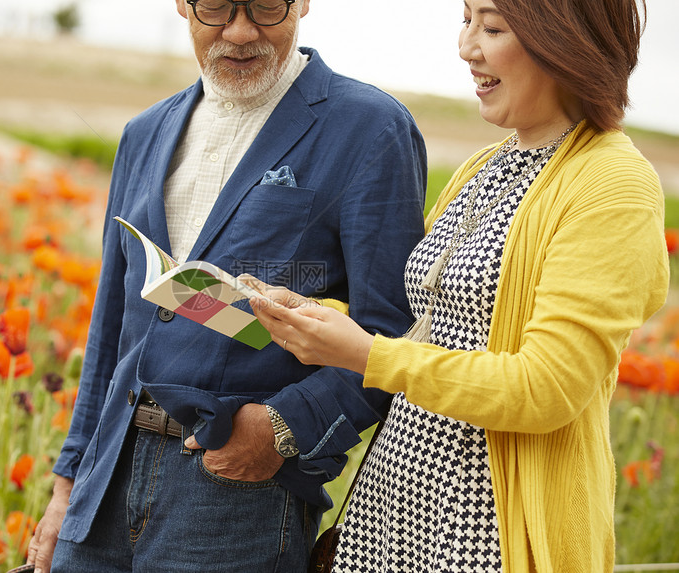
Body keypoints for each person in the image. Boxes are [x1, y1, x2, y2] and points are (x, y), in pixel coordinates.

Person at [248, 0, 669, 570]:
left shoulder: (613, 184)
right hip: (390, 519)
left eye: (492, 27)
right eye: (466, 20)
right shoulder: (486, 165)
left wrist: (367, 354)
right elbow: (437, 326)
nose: (467, 47)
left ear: (566, 37)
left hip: (485, 536)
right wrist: (316, 314)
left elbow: (547, 389)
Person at [25, 0, 427, 571]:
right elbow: (110, 327)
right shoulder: (144, 133)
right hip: (105, 478)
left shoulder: (369, 126)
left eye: (266, 6)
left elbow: (395, 334)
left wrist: (281, 429)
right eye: (215, 7)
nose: (240, 32)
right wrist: (67, 484)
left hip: (238, 495)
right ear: (182, 7)